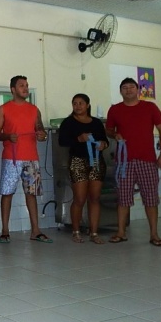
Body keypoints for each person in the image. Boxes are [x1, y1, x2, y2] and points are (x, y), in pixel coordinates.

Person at [106, 77, 161, 246]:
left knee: (151, 199)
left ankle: (154, 234)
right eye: (124, 87)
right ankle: (121, 232)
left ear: (138, 90)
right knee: (123, 198)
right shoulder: (115, 109)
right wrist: (114, 134)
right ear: (120, 91)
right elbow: (109, 130)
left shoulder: (150, 107)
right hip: (123, 162)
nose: (128, 90)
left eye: (131, 87)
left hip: (147, 160)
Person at [0, 75, 52, 243]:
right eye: (21, 86)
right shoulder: (3, 109)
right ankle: (5, 231)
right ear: (13, 89)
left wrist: (42, 135)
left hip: (31, 159)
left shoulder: (34, 110)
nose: (25, 88)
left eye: (26, 85)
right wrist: (7, 136)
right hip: (11, 159)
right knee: (7, 194)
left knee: (31, 194)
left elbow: (41, 131)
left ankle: (35, 231)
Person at [58, 93, 108, 244]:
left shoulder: (97, 123)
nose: (78, 106)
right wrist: (78, 139)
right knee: (79, 198)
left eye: (81, 103)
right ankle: (76, 231)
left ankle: (94, 232)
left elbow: (105, 140)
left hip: (97, 162)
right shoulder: (68, 122)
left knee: (95, 198)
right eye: (75, 103)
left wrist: (103, 144)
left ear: (87, 105)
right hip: (77, 161)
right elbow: (62, 141)